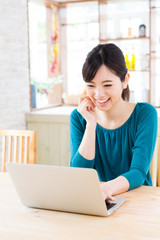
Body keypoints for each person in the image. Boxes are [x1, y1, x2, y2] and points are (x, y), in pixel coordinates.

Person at [69, 43, 158, 201]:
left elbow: (138, 172)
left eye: (107, 85)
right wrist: (91, 125)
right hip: (99, 200)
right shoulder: (78, 118)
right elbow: (79, 174)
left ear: (125, 80)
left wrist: (105, 188)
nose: (99, 94)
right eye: (91, 85)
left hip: (138, 200)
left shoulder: (145, 114)